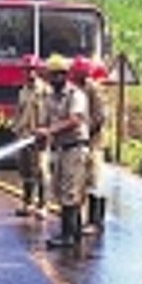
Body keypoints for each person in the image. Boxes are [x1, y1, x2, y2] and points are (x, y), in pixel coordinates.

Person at [36, 53, 89, 249]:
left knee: (70, 191)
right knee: (60, 189)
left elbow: (75, 120)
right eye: (52, 75)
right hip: (59, 148)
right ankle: (72, 232)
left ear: (65, 75)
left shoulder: (76, 95)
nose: (55, 79)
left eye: (59, 75)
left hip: (75, 147)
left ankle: (69, 236)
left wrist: (49, 130)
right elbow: (45, 122)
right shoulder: (49, 97)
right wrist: (41, 135)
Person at [70, 57, 108, 235]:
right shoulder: (75, 89)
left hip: (94, 142)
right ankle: (79, 219)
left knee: (93, 180)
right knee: (79, 180)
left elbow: (99, 116)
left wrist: (86, 132)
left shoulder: (94, 89)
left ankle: (96, 221)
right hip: (80, 140)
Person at [14, 54, 50, 219]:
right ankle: (27, 203)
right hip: (24, 137)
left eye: (33, 70)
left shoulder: (45, 91)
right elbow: (19, 113)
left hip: (40, 138)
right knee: (26, 171)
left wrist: (47, 132)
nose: (30, 73)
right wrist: (17, 131)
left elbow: (52, 114)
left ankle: (42, 205)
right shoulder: (23, 91)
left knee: (41, 171)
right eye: (27, 70)